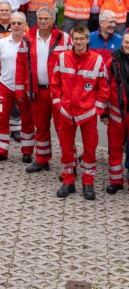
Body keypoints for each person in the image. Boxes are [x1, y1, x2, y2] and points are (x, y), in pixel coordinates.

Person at [51, 25, 108, 200]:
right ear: (72, 39)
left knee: (90, 150)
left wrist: (96, 109)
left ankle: (88, 183)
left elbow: (103, 89)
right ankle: (68, 182)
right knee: (67, 148)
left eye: (81, 38)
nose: (78, 42)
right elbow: (55, 84)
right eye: (75, 38)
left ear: (87, 39)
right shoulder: (62, 58)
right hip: (66, 112)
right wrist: (59, 105)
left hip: (87, 114)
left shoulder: (97, 60)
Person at [15, 6, 72, 173]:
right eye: (40, 18)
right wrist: (20, 90)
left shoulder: (65, 39)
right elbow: (20, 66)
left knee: (63, 129)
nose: (43, 21)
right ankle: (42, 159)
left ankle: (69, 163)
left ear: (52, 19)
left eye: (46, 18)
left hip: (59, 93)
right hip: (37, 91)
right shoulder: (27, 39)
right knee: (40, 127)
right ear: (36, 19)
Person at [0, 12, 35, 164]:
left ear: (25, 25)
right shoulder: (2, 43)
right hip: (5, 87)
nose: (16, 26)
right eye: (13, 23)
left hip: (24, 89)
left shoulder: (30, 43)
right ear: (10, 24)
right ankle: (1, 152)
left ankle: (27, 152)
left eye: (19, 23)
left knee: (27, 120)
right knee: (2, 119)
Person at [102, 31, 129, 194]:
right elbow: (104, 87)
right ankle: (116, 180)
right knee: (115, 147)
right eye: (126, 41)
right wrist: (104, 112)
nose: (127, 44)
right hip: (116, 112)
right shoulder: (112, 61)